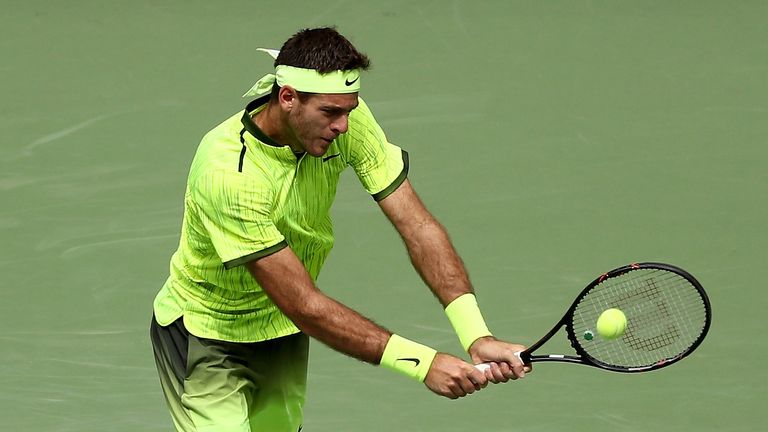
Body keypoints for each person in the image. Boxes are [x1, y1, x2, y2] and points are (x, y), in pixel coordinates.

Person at [150, 27, 531, 432]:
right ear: (288, 98)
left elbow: (418, 227)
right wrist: (423, 364)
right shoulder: (229, 173)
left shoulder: (346, 121)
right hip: (207, 335)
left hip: (282, 333)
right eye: (331, 112)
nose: (344, 126)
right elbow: (305, 304)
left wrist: (476, 335)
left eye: (349, 109)